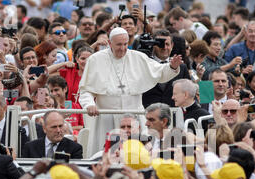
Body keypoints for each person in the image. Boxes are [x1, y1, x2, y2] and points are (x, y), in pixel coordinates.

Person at [78, 27, 183, 158]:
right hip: (106, 116)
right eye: (118, 45)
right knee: (106, 155)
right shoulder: (95, 60)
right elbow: (85, 90)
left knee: (138, 155)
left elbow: (159, 72)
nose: (122, 48)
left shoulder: (137, 57)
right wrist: (89, 104)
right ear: (110, 43)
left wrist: (172, 67)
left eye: (125, 44)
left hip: (134, 116)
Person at [142, 29, 191, 108]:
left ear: (172, 45)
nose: (164, 47)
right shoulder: (145, 65)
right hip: (148, 114)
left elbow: (189, 93)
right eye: (160, 44)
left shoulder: (181, 67)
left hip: (173, 115)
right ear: (153, 45)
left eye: (167, 44)